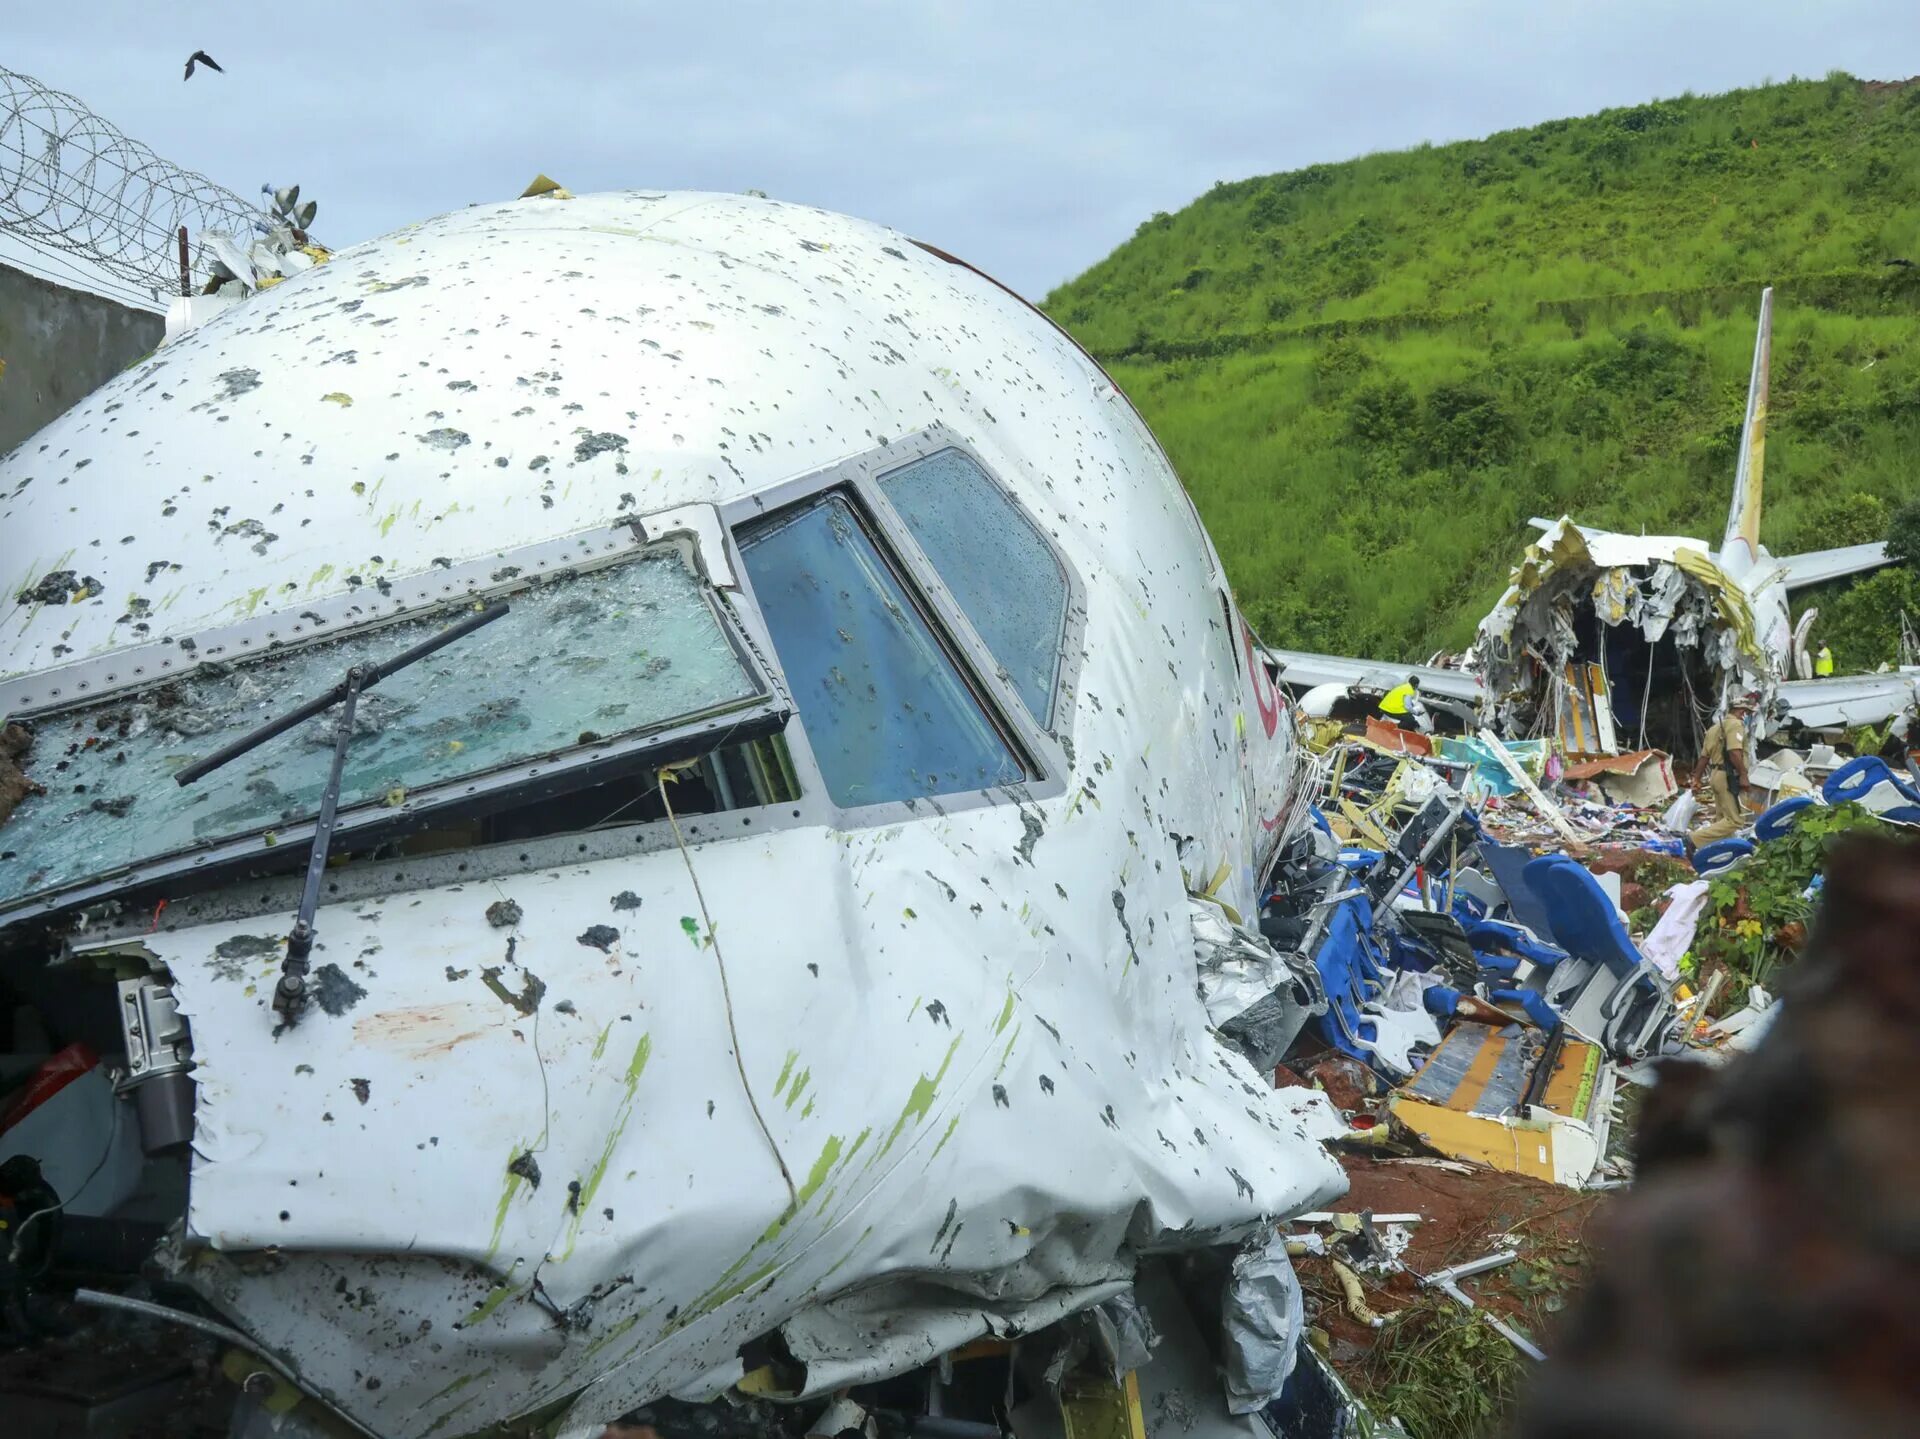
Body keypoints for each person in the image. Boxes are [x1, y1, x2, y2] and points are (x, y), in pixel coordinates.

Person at [1689, 692, 1758, 847]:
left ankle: (1715, 852)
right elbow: (1734, 752)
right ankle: (1694, 839)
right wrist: (1743, 775)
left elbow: (1704, 758)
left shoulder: (1714, 728)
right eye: (1746, 713)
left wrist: (1697, 779)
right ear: (1741, 712)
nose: (1746, 717)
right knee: (1735, 820)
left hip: (1715, 775)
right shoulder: (1736, 725)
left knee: (1722, 820)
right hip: (1728, 777)